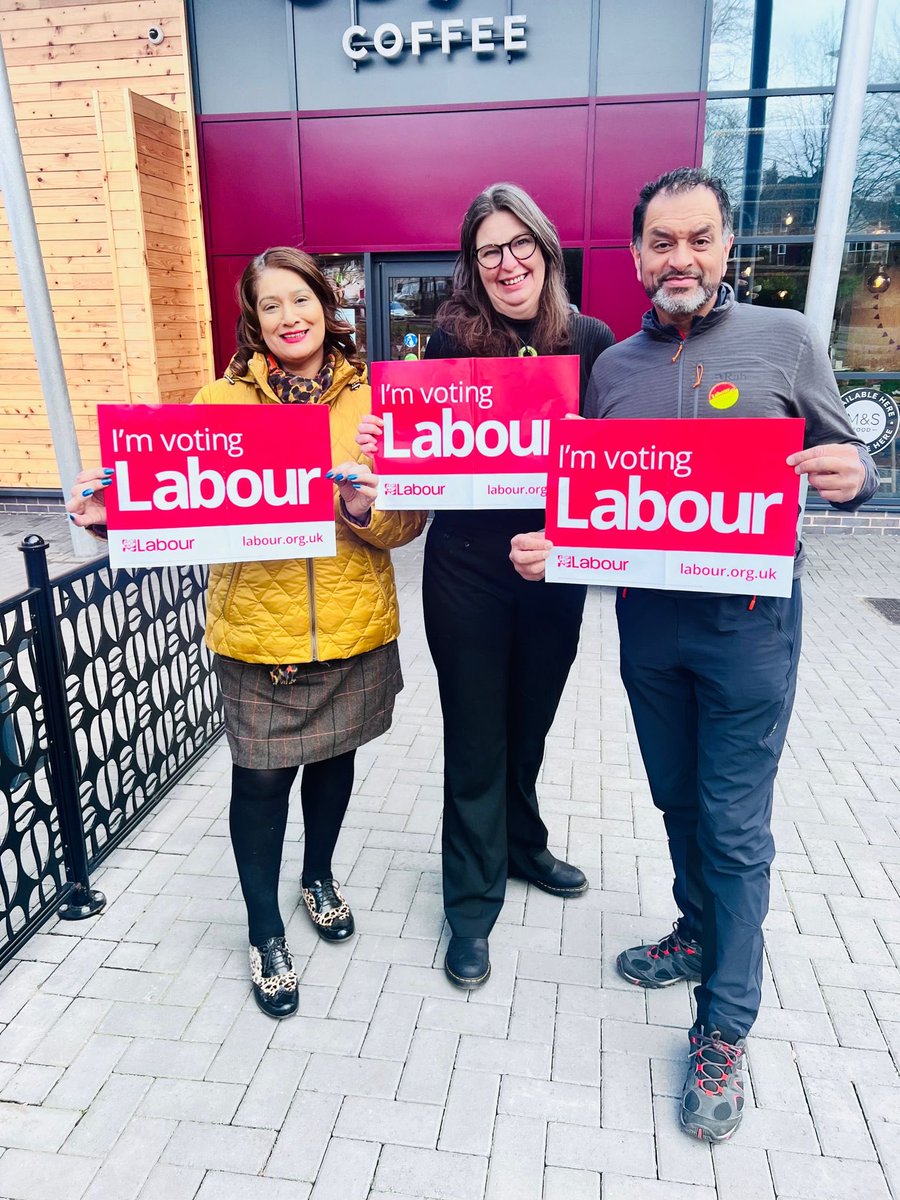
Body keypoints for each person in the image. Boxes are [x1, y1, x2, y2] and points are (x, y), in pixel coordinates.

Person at [511, 167, 878, 1141]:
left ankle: (724, 1024)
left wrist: (857, 476)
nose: (680, 258)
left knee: (732, 826)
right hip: (650, 627)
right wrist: (560, 543)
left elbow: (849, 465)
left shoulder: (786, 342)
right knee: (677, 798)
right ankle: (696, 927)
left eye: (699, 239)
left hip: (749, 627)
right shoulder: (614, 369)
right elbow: (593, 498)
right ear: (636, 257)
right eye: (661, 242)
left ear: (726, 247)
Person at [67, 247, 425, 1020]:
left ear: (328, 306)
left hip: (353, 625)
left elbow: (408, 519)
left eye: (302, 300)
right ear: (253, 320)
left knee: (334, 762)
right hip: (257, 635)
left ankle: (319, 876)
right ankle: (265, 930)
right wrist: (113, 519)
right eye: (272, 305)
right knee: (261, 781)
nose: (290, 317)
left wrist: (366, 507)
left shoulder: (377, 402)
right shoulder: (218, 402)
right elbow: (175, 501)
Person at [359, 183, 615, 989]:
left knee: (530, 725)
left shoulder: (593, 339)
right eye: (489, 250)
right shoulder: (450, 342)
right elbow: (424, 457)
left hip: (554, 566)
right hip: (467, 569)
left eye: (519, 245)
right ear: (474, 264)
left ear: (545, 246)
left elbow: (616, 467)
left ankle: (522, 844)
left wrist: (589, 449)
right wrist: (382, 448)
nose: (508, 263)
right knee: (476, 736)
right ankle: (469, 904)